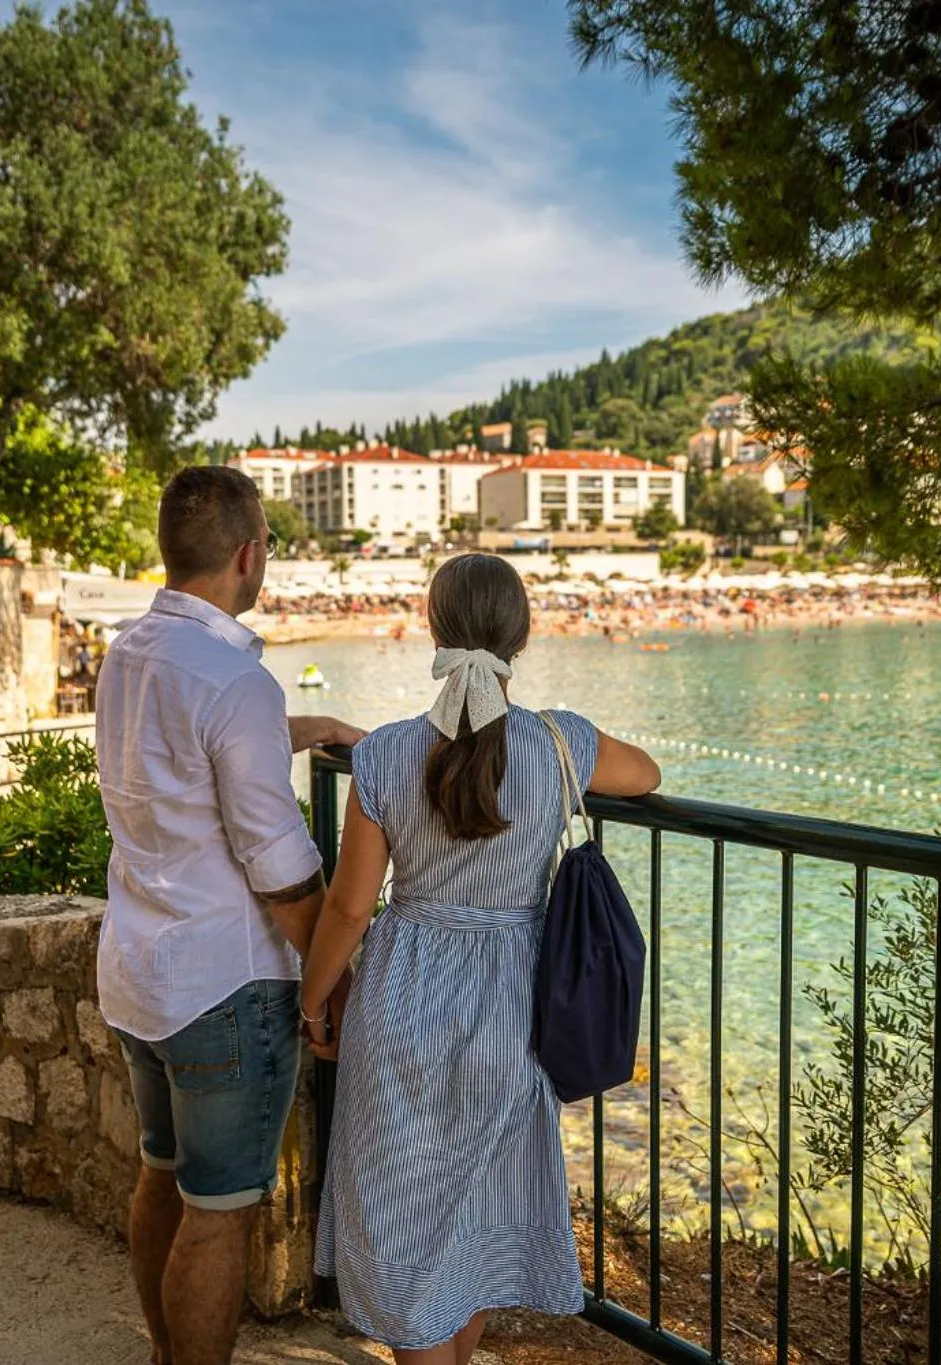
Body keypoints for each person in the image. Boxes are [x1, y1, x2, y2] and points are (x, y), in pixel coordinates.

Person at [298, 553, 662, 1363]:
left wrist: (315, 995)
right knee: (467, 1224)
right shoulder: (560, 743)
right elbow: (647, 773)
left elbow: (351, 905)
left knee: (407, 1225)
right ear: (521, 637)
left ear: (432, 629)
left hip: (401, 1000)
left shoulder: (386, 755)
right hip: (510, 1010)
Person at [95, 465, 364, 1365]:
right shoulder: (231, 681)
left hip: (140, 969)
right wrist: (335, 976)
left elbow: (183, 748)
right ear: (250, 557)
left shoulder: (130, 653)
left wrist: (304, 723)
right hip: (224, 985)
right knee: (219, 1217)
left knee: (161, 1178)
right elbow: (283, 875)